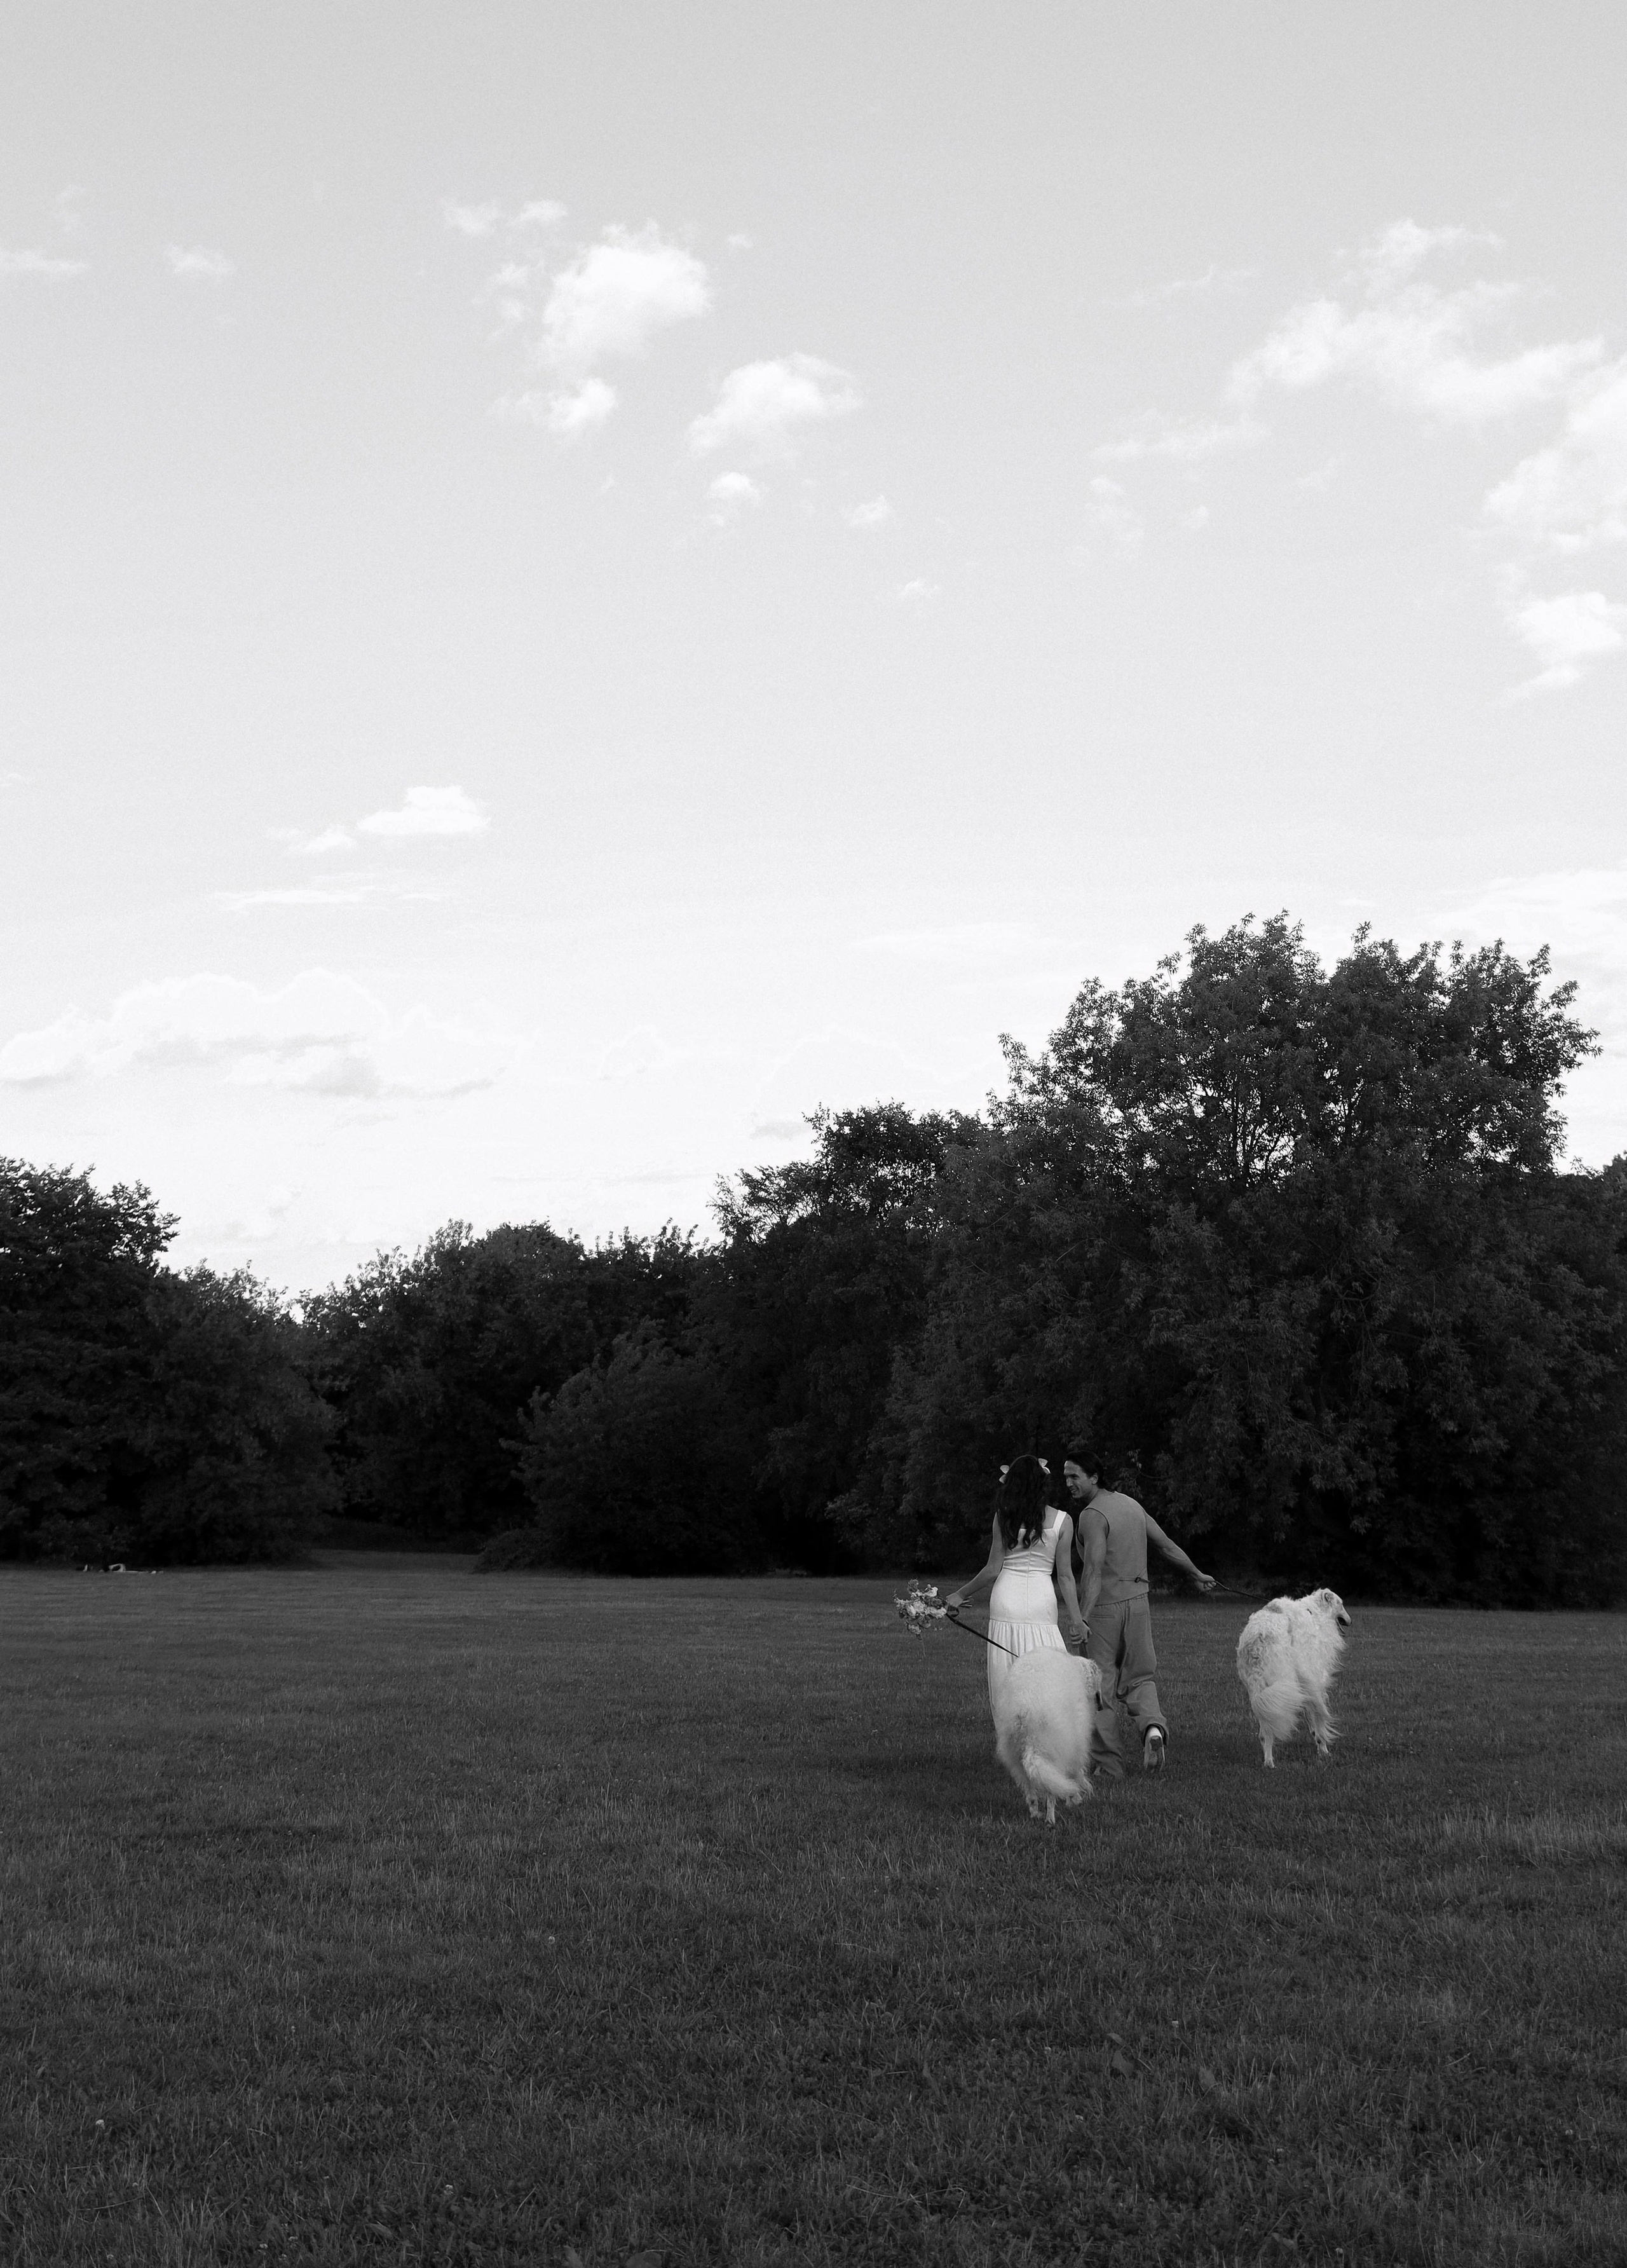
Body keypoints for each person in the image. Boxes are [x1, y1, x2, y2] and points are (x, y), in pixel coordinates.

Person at [1063, 1447, 1215, 1775]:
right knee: (1140, 1677)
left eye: (1075, 1476)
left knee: (1097, 1684)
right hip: (1140, 1604)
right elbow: (1166, 1545)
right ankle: (1153, 1730)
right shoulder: (1132, 1505)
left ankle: (1109, 1765)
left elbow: (1093, 1570)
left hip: (1104, 1609)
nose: (1069, 1483)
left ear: (1094, 1477)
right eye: (1065, 1477)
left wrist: (1083, 1617)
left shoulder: (1092, 1515)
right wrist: (1196, 1573)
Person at [946, 1455, 1086, 1714]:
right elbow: (1065, 1576)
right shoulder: (1063, 1521)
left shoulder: (1003, 1518)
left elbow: (992, 1569)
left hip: (1006, 1600)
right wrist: (1077, 1620)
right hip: (1041, 1603)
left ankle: (1013, 1740)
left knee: (1006, 1676)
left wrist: (959, 1594)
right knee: (1048, 1673)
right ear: (1042, 1484)